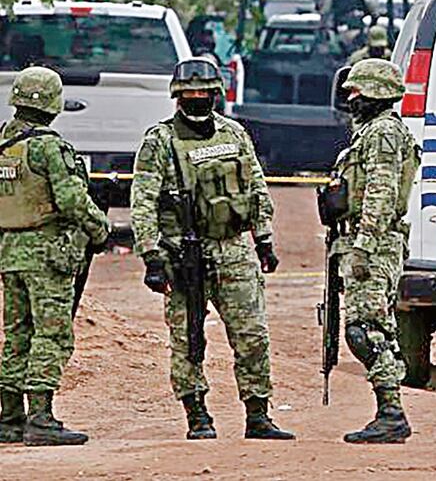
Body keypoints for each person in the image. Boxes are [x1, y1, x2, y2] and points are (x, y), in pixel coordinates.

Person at [130, 58, 294, 441]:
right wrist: (152, 256)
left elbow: (255, 187)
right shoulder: (160, 141)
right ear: (177, 97)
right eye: (189, 94)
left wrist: (264, 239)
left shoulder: (234, 133)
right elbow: (143, 201)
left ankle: (258, 415)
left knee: (252, 335)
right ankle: (197, 415)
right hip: (184, 254)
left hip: (234, 250)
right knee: (188, 339)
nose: (197, 98)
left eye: (204, 93)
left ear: (216, 94)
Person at [0, 66, 109, 446]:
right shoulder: (49, 146)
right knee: (52, 334)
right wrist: (101, 228)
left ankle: (9, 418)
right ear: (53, 103)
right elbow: (71, 199)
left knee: (16, 335)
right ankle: (41, 418)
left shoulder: (3, 142)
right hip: (47, 254)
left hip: (9, 251)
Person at [329, 59, 419, 444]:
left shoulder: (382, 133)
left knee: (367, 330)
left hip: (374, 244)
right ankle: (389, 411)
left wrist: (364, 246)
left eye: (356, 92)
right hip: (364, 241)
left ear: (376, 93)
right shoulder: (372, 131)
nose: (351, 99)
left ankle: (391, 413)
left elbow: (380, 195)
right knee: (370, 327)